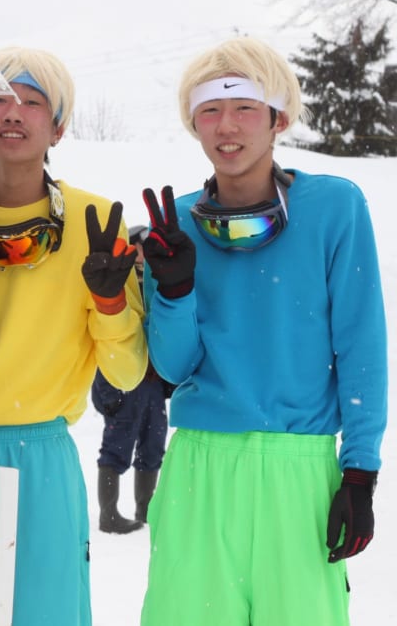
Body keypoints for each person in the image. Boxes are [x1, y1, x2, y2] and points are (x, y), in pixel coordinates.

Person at [139, 36, 387, 626]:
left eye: (245, 107)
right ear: (194, 124)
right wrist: (173, 292)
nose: (227, 126)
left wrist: (360, 473)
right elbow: (174, 368)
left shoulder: (333, 207)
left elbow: (362, 346)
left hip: (298, 469)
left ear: (278, 118)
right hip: (200, 466)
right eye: (210, 111)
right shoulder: (174, 223)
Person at [0, 47, 148, 626]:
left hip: (40, 460)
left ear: (59, 126)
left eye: (32, 101)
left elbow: (125, 374)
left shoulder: (94, 221)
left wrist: (109, 304)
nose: (13, 113)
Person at [91, 225, 173, 534]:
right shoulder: (119, 278)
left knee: (153, 445)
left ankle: (145, 510)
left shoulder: (156, 277)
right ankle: (108, 515)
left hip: (150, 380)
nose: (144, 252)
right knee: (117, 445)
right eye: (141, 245)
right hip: (122, 375)